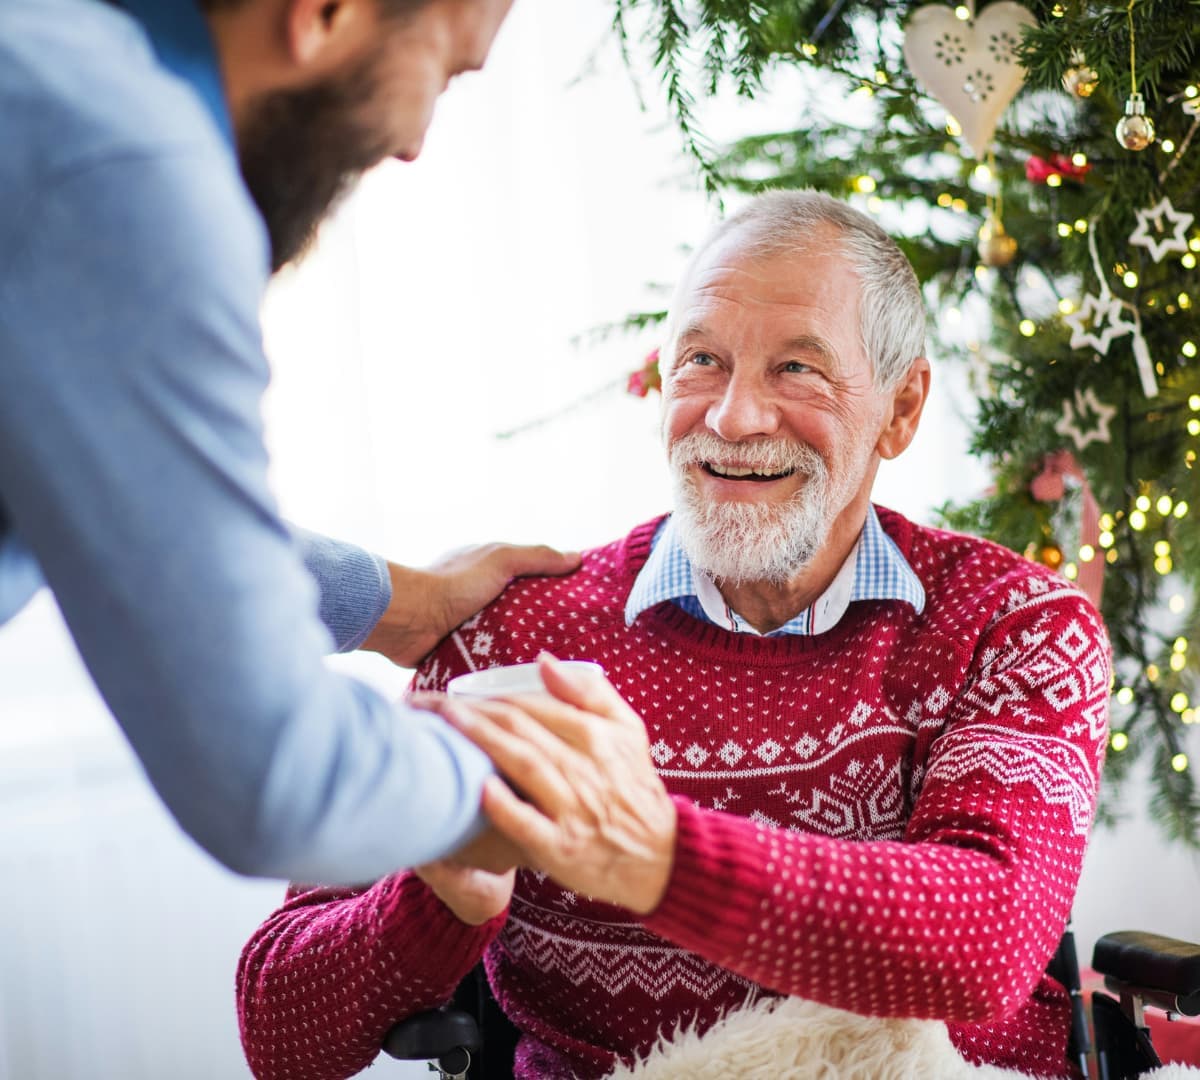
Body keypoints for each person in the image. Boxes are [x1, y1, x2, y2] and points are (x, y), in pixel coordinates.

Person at [237, 190, 1110, 1079]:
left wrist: (650, 854)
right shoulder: (509, 640)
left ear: (901, 407)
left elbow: (990, 941)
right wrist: (440, 904)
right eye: (702, 360)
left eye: (797, 370)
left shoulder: (1013, 624)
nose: (733, 418)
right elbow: (277, 1032)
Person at [0, 0, 580, 885]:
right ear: (326, 13)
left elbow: (145, 504)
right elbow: (278, 779)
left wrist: (397, 604)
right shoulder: (122, 167)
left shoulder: (52, 65)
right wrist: (520, 779)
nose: (415, 142)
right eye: (444, 73)